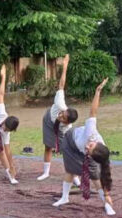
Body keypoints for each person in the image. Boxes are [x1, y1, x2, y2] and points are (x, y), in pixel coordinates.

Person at [52, 78, 116, 216]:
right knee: (70, 170)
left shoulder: (99, 154)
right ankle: (64, 198)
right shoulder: (90, 132)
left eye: (89, 150)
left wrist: (107, 195)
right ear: (96, 143)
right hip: (70, 141)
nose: (87, 147)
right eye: (90, 146)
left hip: (83, 148)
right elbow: (93, 112)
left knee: (95, 175)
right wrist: (97, 92)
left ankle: (106, 204)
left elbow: (104, 174)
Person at [37, 54, 80, 183]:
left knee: (67, 152)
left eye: (63, 118)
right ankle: (45, 172)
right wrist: (65, 66)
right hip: (48, 120)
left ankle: (75, 177)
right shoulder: (60, 103)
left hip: (59, 131)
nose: (60, 116)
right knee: (48, 146)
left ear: (67, 122)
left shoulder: (67, 128)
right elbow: (61, 84)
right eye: (62, 114)